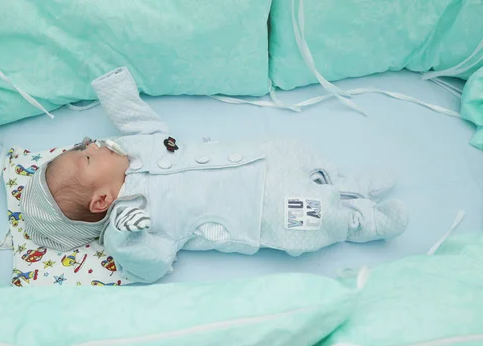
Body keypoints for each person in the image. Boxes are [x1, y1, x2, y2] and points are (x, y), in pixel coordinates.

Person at [22, 67, 408, 283]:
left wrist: (113, 89)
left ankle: (345, 183)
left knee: (295, 150)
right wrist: (126, 239)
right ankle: (359, 220)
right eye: (87, 158)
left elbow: (135, 117)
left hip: (260, 162)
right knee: (313, 221)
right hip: (258, 214)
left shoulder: (133, 149)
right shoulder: (133, 222)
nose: (91, 146)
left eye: (82, 146)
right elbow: (153, 265)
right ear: (102, 200)